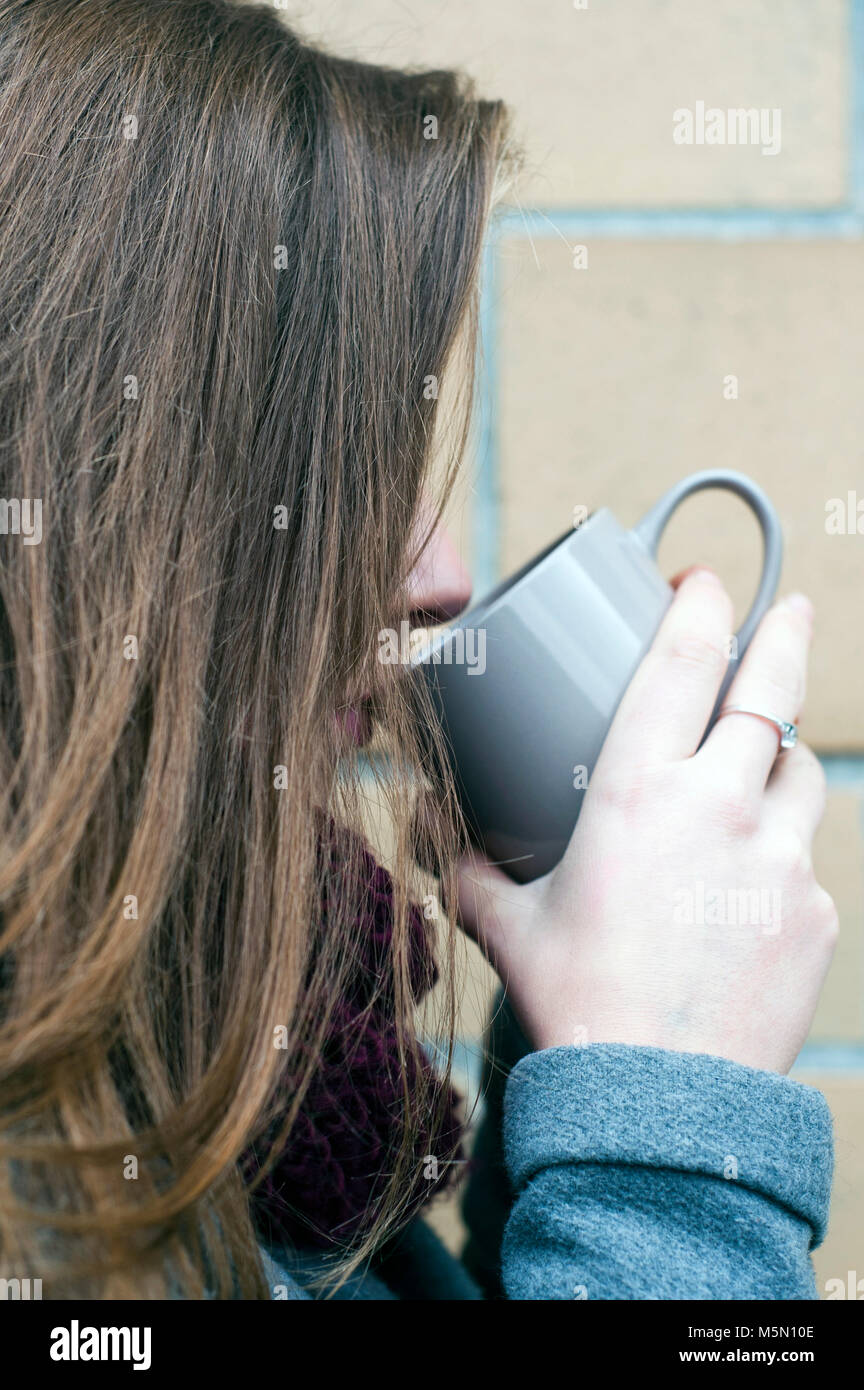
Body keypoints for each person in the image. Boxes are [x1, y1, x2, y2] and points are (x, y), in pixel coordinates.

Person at [0, 0, 836, 1300]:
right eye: (353, 468)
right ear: (102, 506)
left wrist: (593, 1026)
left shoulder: (245, 1062)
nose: (440, 575)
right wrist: (667, 1146)